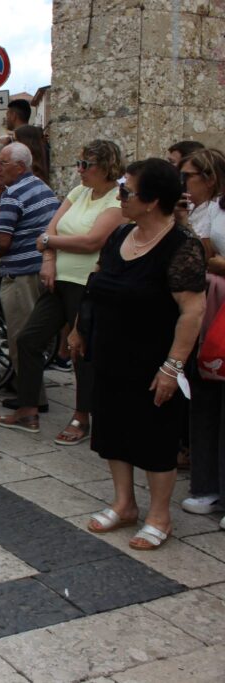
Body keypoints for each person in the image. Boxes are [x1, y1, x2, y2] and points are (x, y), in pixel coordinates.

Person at [78, 159, 206, 550]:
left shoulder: (181, 246)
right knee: (113, 432)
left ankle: (159, 516)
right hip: (111, 353)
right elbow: (97, 280)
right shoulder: (120, 236)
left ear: (152, 201)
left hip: (154, 360)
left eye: (126, 191)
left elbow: (192, 310)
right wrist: (80, 328)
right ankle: (124, 504)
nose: (120, 197)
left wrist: (172, 366)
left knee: (154, 439)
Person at [0, 140, 124, 441]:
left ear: (105, 167)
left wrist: (50, 244)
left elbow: (93, 241)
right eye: (78, 163)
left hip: (88, 285)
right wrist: (49, 260)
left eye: (86, 165)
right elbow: (49, 230)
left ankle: (82, 417)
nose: (79, 170)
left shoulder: (117, 200)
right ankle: (28, 409)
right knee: (28, 339)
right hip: (58, 280)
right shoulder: (79, 192)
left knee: (81, 351)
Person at [0, 143, 60, 420]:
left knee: (20, 338)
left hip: (20, 274)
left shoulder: (12, 195)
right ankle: (32, 393)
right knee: (34, 337)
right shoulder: (42, 187)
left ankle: (31, 399)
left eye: (3, 163)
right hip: (42, 268)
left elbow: (2, 245)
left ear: (20, 166)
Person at [179, 148, 225, 522]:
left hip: (217, 304)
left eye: (189, 175)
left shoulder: (215, 211)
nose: (184, 183)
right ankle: (207, 484)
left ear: (209, 177)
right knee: (204, 398)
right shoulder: (199, 209)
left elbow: (200, 251)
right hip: (205, 307)